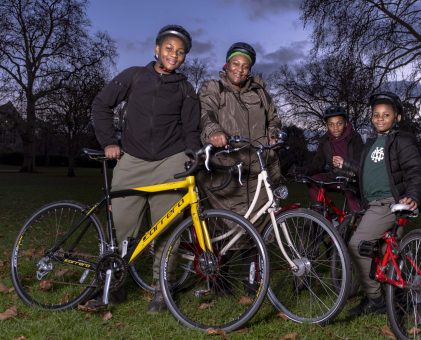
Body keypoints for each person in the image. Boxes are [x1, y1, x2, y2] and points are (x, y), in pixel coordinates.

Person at [91, 24, 201, 313]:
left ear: (184, 57)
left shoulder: (186, 89)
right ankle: (111, 286)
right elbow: (101, 105)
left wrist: (192, 154)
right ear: (156, 49)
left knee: (167, 231)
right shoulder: (134, 76)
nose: (174, 55)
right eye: (168, 49)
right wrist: (108, 142)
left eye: (180, 52)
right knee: (121, 230)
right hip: (133, 160)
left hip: (170, 162)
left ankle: (161, 290)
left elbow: (191, 130)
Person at [344, 92, 421, 316]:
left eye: (386, 115)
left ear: (397, 117)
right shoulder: (372, 143)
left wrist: (413, 195)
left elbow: (416, 170)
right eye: (376, 115)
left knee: (358, 244)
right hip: (373, 204)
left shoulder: (401, 140)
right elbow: (367, 171)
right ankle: (396, 297)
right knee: (382, 253)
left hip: (389, 203)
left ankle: (375, 299)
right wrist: (345, 166)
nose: (380, 118)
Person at [198, 42, 282, 231]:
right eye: (235, 64)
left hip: (257, 172)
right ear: (226, 64)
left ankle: (252, 261)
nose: (240, 70)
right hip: (226, 173)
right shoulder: (214, 89)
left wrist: (273, 135)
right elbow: (205, 112)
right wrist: (214, 131)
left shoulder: (260, 93)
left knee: (257, 230)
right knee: (226, 232)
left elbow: (274, 119)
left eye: (245, 66)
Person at [303, 105, 363, 213]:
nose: (335, 128)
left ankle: (358, 220)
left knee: (350, 195)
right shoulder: (325, 140)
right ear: (327, 126)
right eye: (331, 124)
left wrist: (344, 163)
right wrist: (305, 172)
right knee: (313, 181)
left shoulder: (355, 138)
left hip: (352, 178)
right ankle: (323, 215)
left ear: (345, 123)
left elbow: (360, 163)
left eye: (339, 123)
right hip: (334, 176)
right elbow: (318, 163)